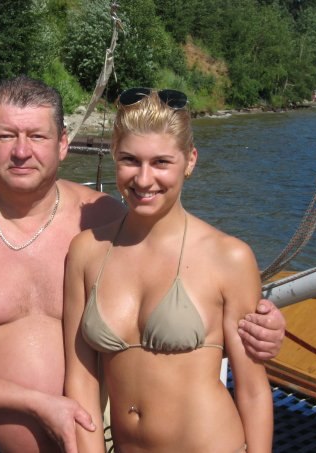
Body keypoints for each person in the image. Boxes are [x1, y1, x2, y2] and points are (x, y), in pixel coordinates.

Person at [0, 76, 283, 453]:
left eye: (37, 136)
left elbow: (195, 286)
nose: (21, 151)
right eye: (5, 136)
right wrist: (39, 404)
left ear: (63, 144)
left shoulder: (102, 219)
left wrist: (264, 327)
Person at [63, 88, 273, 452]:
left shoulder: (229, 258)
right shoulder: (86, 252)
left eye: (161, 162)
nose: (144, 180)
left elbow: (253, 390)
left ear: (190, 161)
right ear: (114, 155)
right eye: (130, 160)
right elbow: (80, 382)